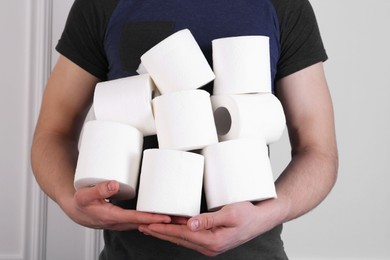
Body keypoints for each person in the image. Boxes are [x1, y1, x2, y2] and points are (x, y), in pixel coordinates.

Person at [31, 0, 338, 259]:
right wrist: (68, 199)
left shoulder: (284, 5)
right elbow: (53, 132)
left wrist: (270, 213)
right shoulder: (101, 4)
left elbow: (318, 151)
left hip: (252, 251)